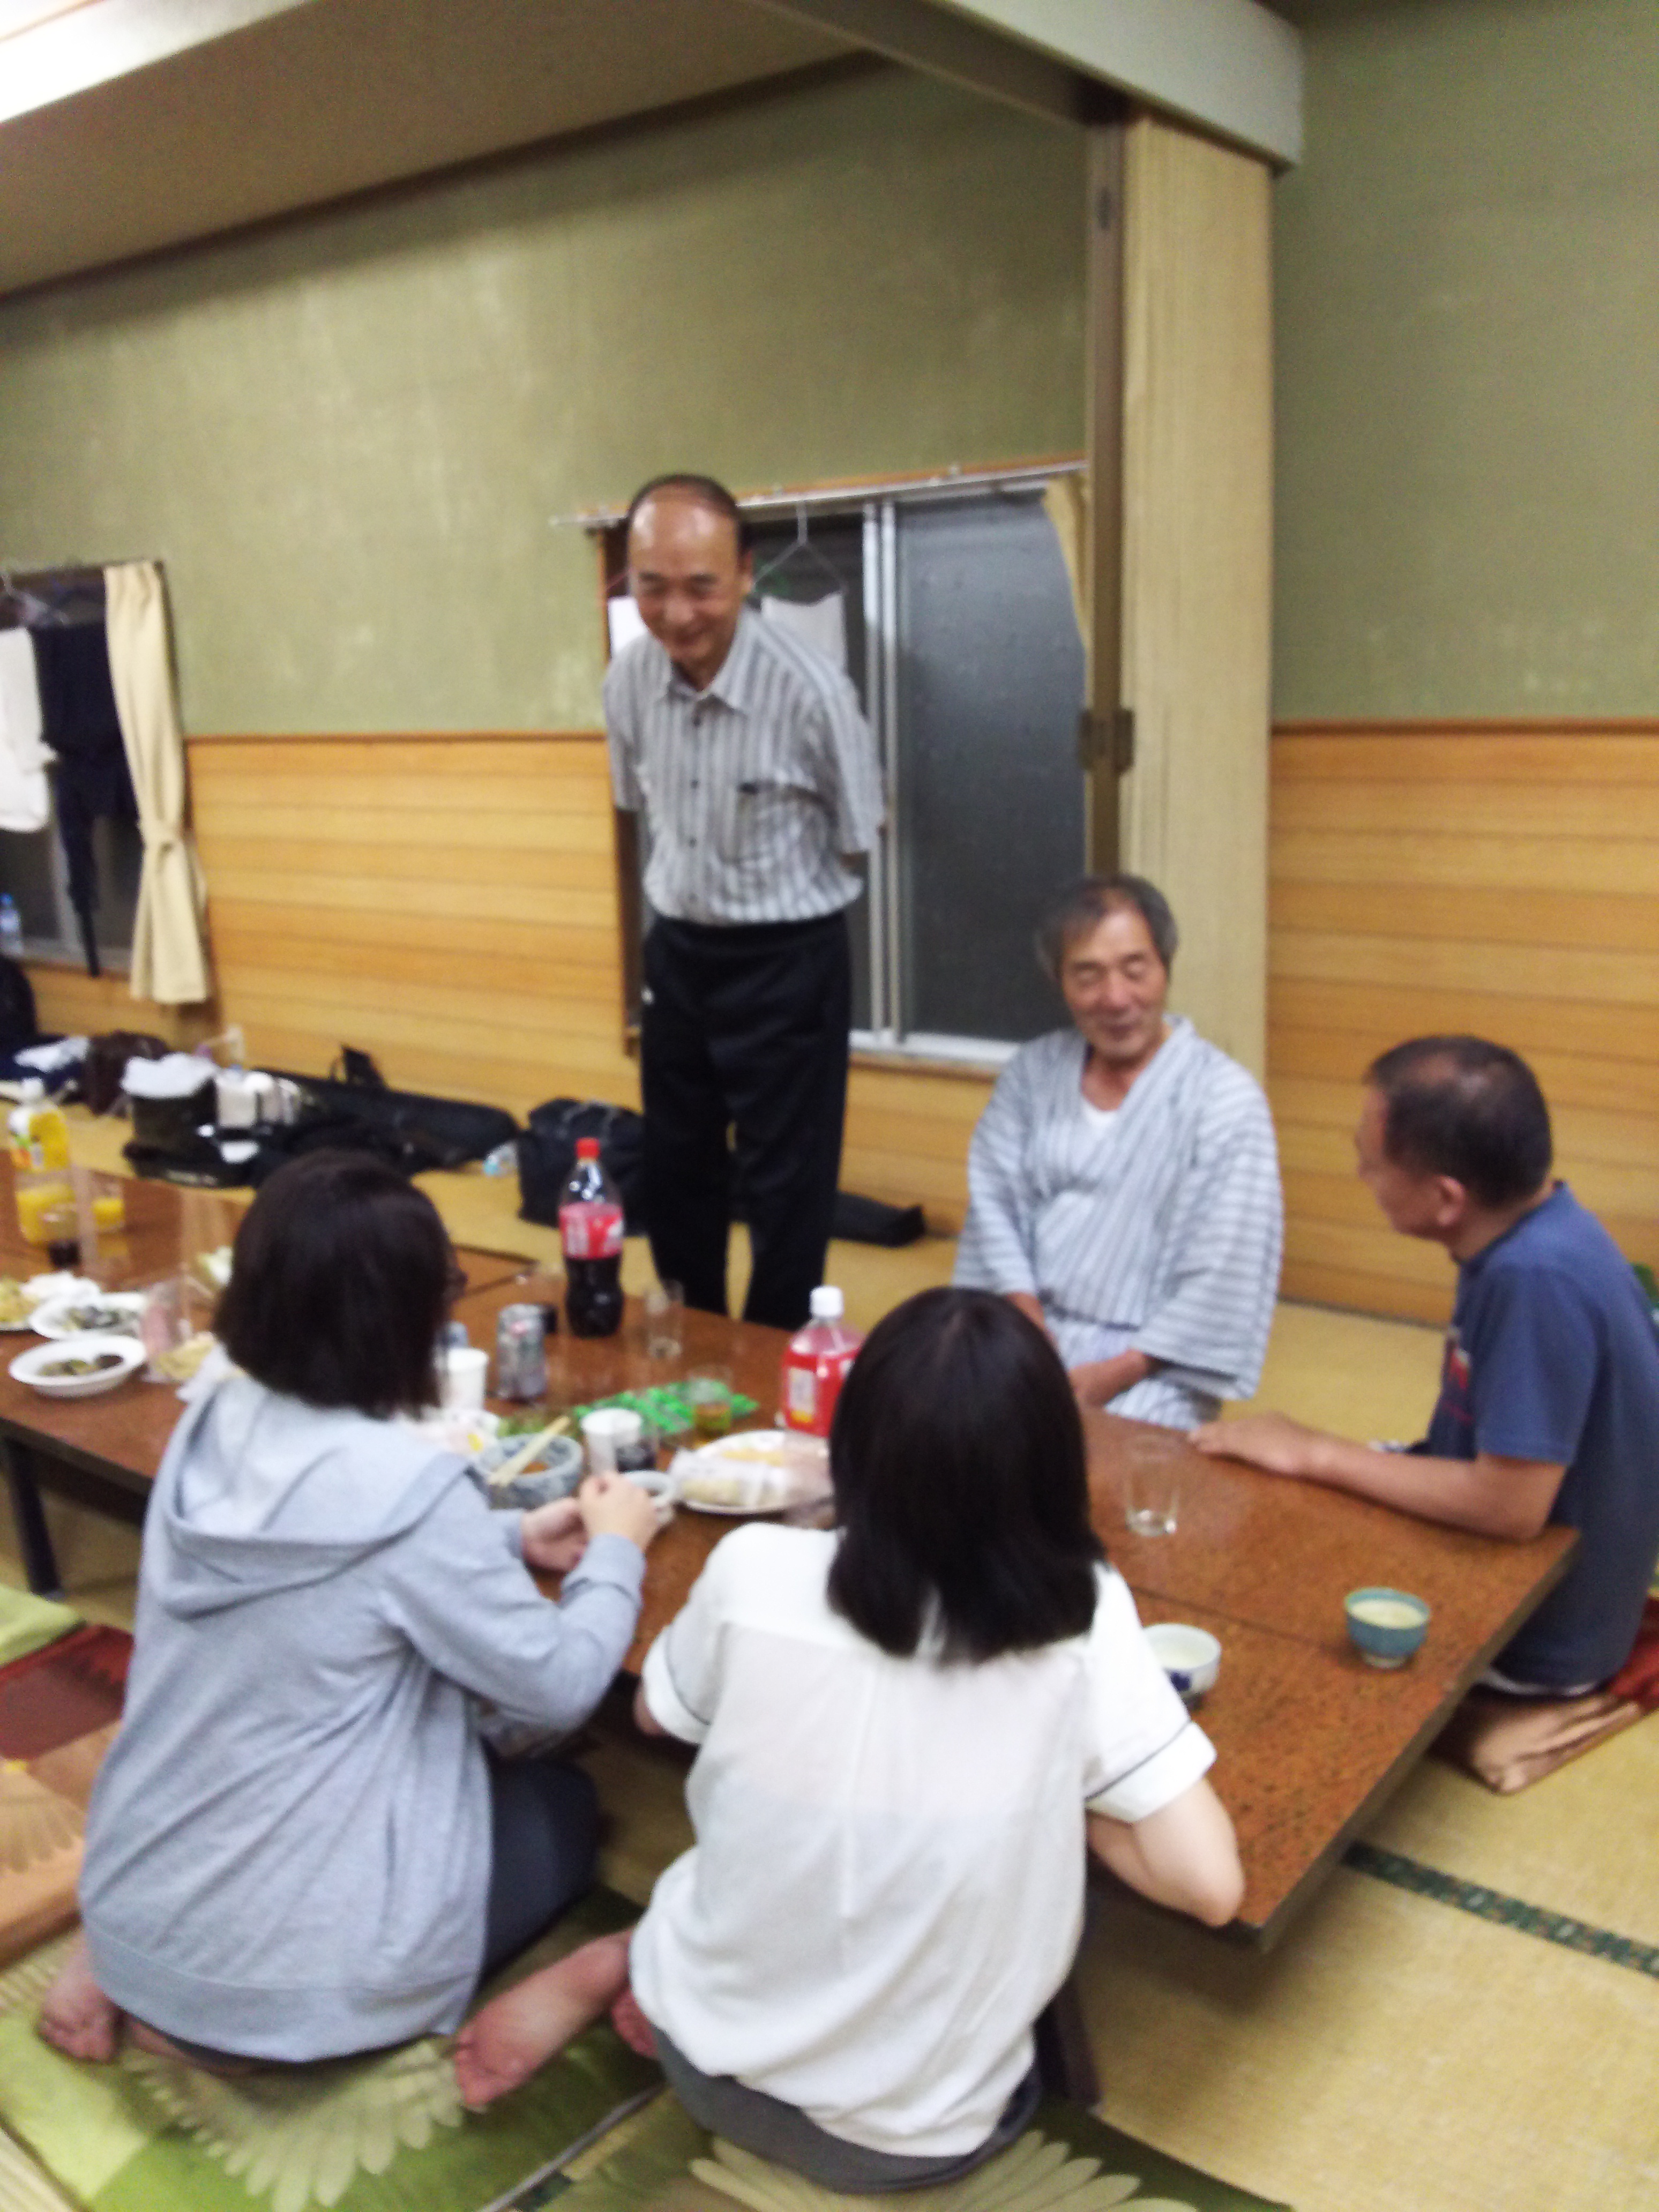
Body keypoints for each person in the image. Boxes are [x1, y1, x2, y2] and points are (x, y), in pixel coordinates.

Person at [454, 1288, 1243, 2191]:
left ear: (851, 1449)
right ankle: (641, 1963)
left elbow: (653, 1718)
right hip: (915, 2135)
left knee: (780, 1833)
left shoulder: (754, 1565)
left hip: (696, 2058)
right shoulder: (1081, 1615)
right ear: (1054, 1465)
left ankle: (630, 1957)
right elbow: (1209, 1885)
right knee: (1044, 1867)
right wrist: (1060, 1774)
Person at [39, 1149, 659, 2068]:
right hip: (286, 1995)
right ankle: (236, 2011)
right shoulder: (407, 1487)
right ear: (402, 1318)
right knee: (563, 1807)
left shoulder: (209, 1417)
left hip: (134, 1898)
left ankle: (138, 1965)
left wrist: (505, 1537)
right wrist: (617, 1550)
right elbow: (560, 1684)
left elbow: (335, 1572)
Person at [1196, 1036, 1659, 1695]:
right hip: (1525, 1570)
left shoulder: (1535, 1279)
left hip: (1534, 1640)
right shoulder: (1530, 1227)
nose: (1361, 1175)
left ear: (1446, 1198)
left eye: (1370, 1162)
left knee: (1251, 1609)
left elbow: (1510, 1508)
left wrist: (1315, 1452)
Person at [604, 473, 884, 1331]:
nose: (677, 612)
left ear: (747, 574)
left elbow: (859, 831)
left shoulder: (812, 691)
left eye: (702, 586)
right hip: (679, 953)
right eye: (653, 585)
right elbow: (638, 805)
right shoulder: (627, 679)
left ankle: (770, 1367)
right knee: (676, 1168)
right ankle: (691, 1345)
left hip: (787, 958)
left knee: (787, 1187)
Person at [953, 873, 1283, 1428]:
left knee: (1105, 1465)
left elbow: (1226, 1264)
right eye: (1088, 976)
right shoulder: (1033, 1073)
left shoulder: (1224, 1099)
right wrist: (1027, 1327)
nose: (1115, 998)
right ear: (1059, 981)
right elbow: (994, 1211)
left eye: (1135, 970)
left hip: (1153, 1364)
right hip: (1025, 1331)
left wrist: (1121, 1369)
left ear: (1165, 968)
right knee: (932, 1430)